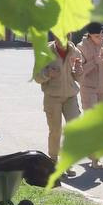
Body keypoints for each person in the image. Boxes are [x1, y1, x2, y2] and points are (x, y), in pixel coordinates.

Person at [33, 33, 82, 165]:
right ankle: (53, 160)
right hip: (52, 97)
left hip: (70, 95)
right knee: (55, 130)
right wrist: (47, 73)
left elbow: (79, 77)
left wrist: (78, 71)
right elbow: (37, 77)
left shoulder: (75, 52)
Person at [76, 22, 103, 112]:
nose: (100, 38)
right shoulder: (81, 47)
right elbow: (78, 73)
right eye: (97, 36)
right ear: (89, 35)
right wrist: (94, 62)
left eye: (102, 35)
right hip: (88, 89)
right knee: (91, 120)